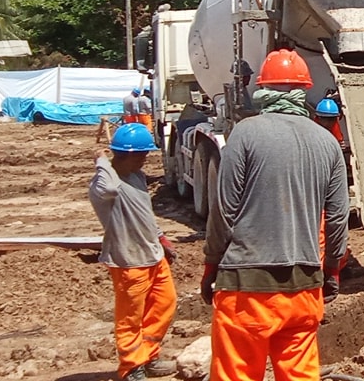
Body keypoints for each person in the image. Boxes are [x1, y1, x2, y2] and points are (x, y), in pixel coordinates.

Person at [203, 49, 349, 381]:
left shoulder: (244, 134)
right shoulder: (327, 143)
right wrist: (331, 272)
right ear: (304, 91)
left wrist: (211, 264)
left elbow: (223, 210)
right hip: (304, 290)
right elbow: (338, 218)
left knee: (236, 374)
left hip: (245, 289)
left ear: (262, 90)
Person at [90, 123, 178, 381]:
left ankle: (149, 355)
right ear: (123, 154)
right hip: (128, 261)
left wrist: (161, 237)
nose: (145, 158)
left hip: (152, 255)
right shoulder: (103, 184)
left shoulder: (137, 177)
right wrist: (101, 160)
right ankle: (130, 367)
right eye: (141, 154)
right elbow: (109, 189)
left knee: (165, 303)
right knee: (130, 317)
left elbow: (145, 213)